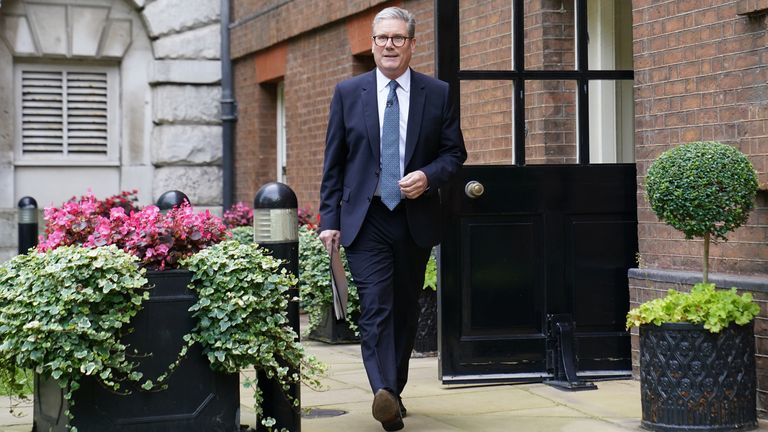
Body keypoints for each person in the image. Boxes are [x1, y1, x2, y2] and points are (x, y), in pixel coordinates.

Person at [318, 6, 466, 431]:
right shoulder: (349, 93)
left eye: (398, 38)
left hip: (413, 218)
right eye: (382, 38)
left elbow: (454, 154)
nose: (389, 45)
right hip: (365, 220)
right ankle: (381, 388)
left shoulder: (436, 93)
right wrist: (329, 219)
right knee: (376, 306)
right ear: (372, 43)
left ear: (412, 44)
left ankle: (392, 391)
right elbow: (335, 163)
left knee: (404, 308)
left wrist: (428, 176)